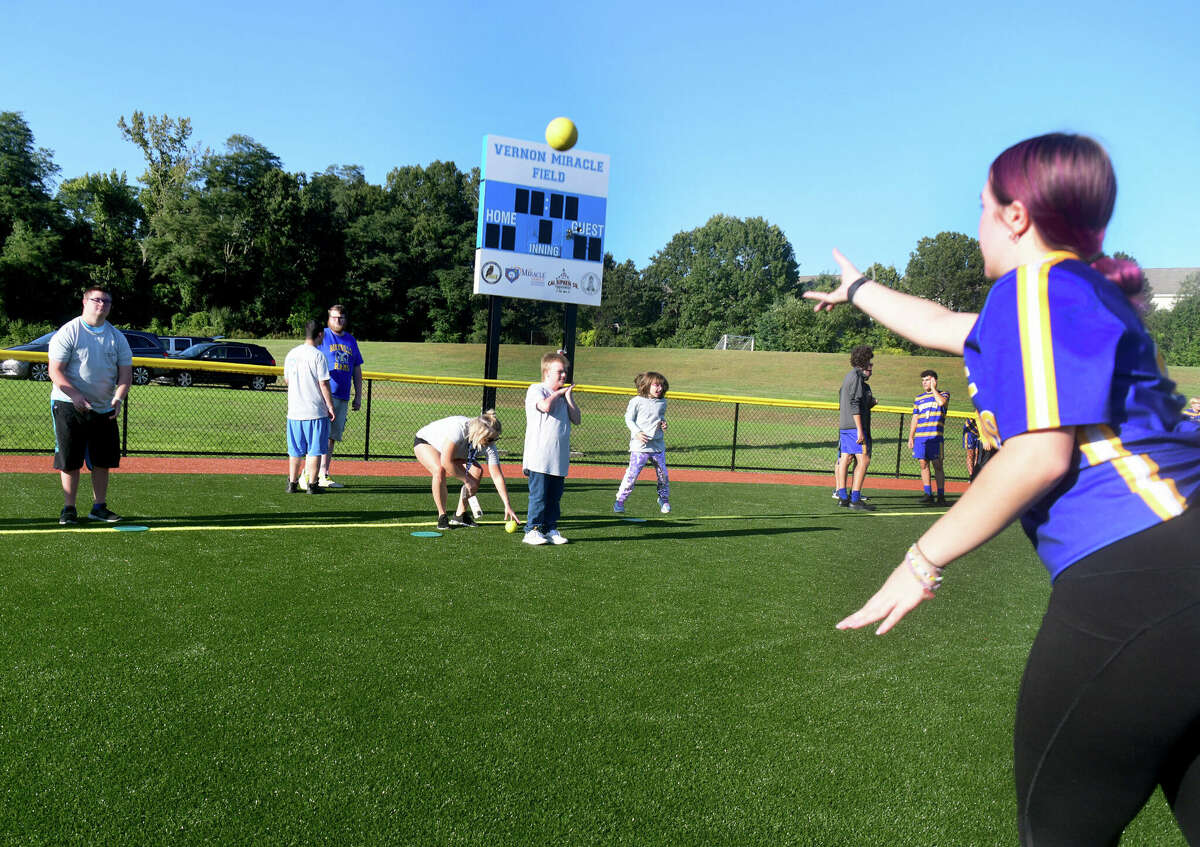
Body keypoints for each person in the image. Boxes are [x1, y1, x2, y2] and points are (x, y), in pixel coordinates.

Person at [805, 133, 1200, 845]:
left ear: (1017, 217)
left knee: (1055, 829)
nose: (977, 221)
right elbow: (935, 324)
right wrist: (860, 289)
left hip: (1142, 570)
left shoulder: (1036, 285)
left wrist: (919, 561)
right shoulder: (1068, 291)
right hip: (1180, 564)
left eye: (984, 207)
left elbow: (1038, 455)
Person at [48, 286, 132, 524]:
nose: (102, 305)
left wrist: (118, 399)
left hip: (104, 408)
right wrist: (75, 396)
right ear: (84, 302)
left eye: (107, 301)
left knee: (102, 461)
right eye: (97, 300)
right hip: (68, 404)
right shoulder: (69, 332)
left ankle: (99, 507)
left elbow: (125, 375)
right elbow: (55, 370)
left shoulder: (117, 337)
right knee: (70, 459)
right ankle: (69, 509)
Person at [413, 411, 521, 531]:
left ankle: (460, 515)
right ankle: (442, 516)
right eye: (490, 439)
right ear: (480, 434)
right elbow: (446, 461)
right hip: (427, 443)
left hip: (454, 451)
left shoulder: (490, 445)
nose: (493, 442)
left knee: (477, 472)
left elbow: (497, 476)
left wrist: (507, 504)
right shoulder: (459, 429)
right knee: (439, 469)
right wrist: (466, 480)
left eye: (496, 438)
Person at [301, 304, 363, 490]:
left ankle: (323, 474)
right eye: (335, 317)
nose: (338, 320)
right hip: (322, 395)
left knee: (331, 438)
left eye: (341, 317)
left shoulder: (351, 340)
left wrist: (358, 395)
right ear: (329, 318)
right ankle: (307, 473)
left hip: (342, 396)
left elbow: (357, 369)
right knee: (317, 435)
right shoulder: (322, 335)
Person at [522, 351, 581, 546]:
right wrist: (558, 393)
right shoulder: (536, 389)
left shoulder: (564, 395)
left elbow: (577, 419)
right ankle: (532, 530)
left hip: (558, 457)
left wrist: (569, 396)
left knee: (554, 497)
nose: (564, 376)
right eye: (560, 372)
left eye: (565, 372)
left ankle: (550, 528)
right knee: (539, 496)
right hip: (539, 457)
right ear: (547, 373)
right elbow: (545, 406)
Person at [283, 321, 335, 494]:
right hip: (315, 411)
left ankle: (292, 483)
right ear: (320, 334)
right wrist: (330, 406)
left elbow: (287, 380)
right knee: (314, 450)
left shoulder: (291, 354)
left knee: (295, 451)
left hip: (294, 411)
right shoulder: (318, 355)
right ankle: (312, 485)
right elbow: (324, 384)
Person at [613, 371, 670, 515]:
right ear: (646, 385)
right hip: (640, 447)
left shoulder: (662, 402)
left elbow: (660, 417)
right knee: (632, 475)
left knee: (663, 473)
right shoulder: (636, 401)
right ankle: (620, 501)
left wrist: (663, 423)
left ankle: (663, 499)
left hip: (657, 446)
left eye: (662, 386)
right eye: (656, 385)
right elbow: (629, 419)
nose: (660, 388)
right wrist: (637, 433)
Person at [835, 345, 876, 511]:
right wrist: (860, 429)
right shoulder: (857, 377)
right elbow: (854, 403)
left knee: (845, 457)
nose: (871, 364)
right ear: (864, 360)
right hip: (853, 426)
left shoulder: (848, 376)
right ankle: (855, 499)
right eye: (869, 360)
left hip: (844, 425)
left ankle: (843, 496)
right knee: (864, 459)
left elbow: (844, 399)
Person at [907, 369, 949, 504]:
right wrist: (911, 437)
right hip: (920, 437)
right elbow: (915, 418)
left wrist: (934, 389)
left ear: (934, 381)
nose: (925, 383)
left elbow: (941, 403)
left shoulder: (943, 394)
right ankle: (928, 494)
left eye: (928, 380)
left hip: (935, 438)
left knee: (937, 465)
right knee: (923, 464)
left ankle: (941, 495)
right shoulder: (918, 398)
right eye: (923, 380)